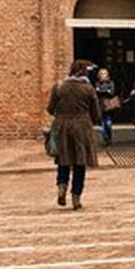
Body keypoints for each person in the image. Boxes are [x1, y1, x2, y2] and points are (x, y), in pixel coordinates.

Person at [46, 60, 100, 211]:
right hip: (82, 127)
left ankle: (61, 187)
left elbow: (50, 108)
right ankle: (76, 197)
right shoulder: (88, 88)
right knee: (79, 163)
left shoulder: (59, 86)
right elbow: (96, 113)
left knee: (63, 160)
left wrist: (62, 114)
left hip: (62, 126)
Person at [94, 68, 117, 146]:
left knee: (108, 123)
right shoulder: (97, 83)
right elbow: (96, 92)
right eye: (101, 74)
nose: (103, 75)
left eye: (104, 73)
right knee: (103, 123)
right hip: (100, 105)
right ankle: (106, 139)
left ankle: (109, 137)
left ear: (107, 75)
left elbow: (112, 92)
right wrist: (106, 91)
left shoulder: (111, 83)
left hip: (109, 105)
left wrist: (102, 91)